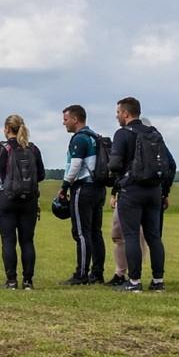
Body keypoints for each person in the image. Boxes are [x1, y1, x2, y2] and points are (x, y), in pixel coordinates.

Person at [106, 97, 174, 292]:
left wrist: (114, 175)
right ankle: (158, 280)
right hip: (154, 190)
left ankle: (134, 281)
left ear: (126, 113)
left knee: (131, 235)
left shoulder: (122, 134)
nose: (117, 115)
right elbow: (168, 163)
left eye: (118, 112)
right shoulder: (153, 133)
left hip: (132, 189)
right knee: (154, 236)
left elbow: (115, 164)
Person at [0, 115, 44, 290]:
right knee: (27, 241)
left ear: (6, 129)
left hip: (6, 199)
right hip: (29, 201)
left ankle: (11, 281)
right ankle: (28, 281)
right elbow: (41, 175)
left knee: (8, 240)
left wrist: (2, 173)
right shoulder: (33, 149)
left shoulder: (0, 148)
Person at [58, 105, 106, 284]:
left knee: (81, 232)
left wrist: (64, 186)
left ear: (75, 119)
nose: (64, 123)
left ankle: (81, 274)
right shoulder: (94, 136)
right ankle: (97, 272)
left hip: (83, 188)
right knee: (95, 232)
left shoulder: (79, 139)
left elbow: (75, 165)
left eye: (65, 119)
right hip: (98, 188)